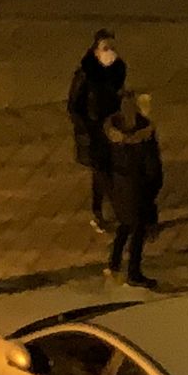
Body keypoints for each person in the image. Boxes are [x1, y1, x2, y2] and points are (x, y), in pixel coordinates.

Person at [67, 29, 127, 232]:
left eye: (112, 47)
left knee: (108, 171)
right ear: (96, 51)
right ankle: (103, 213)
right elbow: (74, 106)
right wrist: (86, 130)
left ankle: (107, 211)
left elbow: (118, 94)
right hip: (92, 132)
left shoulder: (118, 68)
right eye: (105, 48)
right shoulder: (86, 73)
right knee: (102, 173)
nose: (110, 52)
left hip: (111, 128)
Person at [102, 92, 163, 288]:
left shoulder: (112, 133)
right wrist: (154, 187)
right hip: (139, 188)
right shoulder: (144, 136)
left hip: (119, 187)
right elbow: (152, 168)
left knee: (124, 225)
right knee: (138, 231)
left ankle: (114, 265)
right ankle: (134, 273)